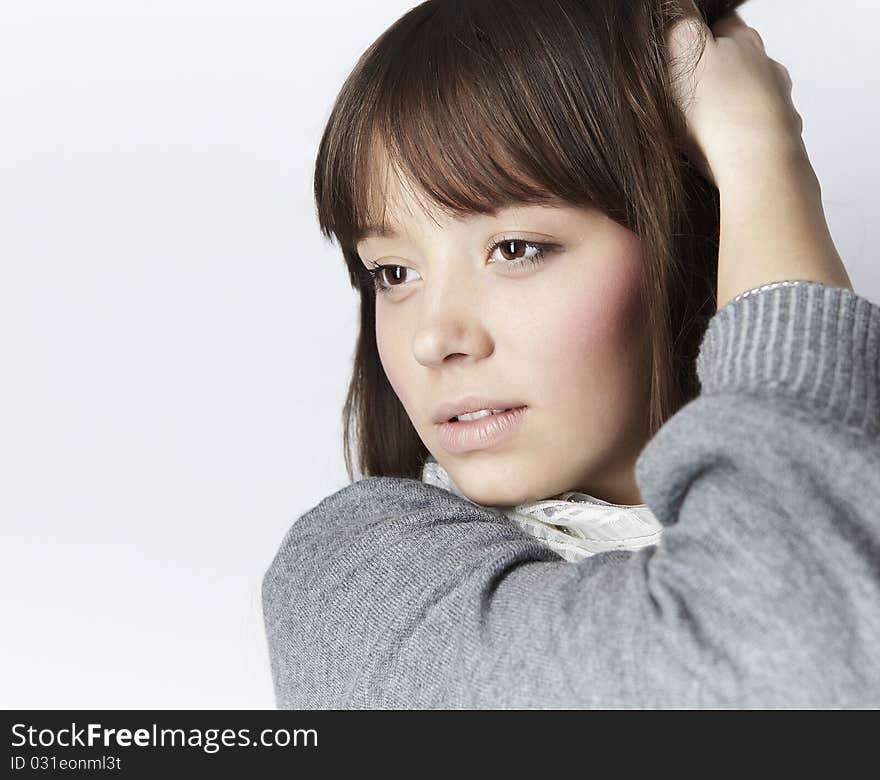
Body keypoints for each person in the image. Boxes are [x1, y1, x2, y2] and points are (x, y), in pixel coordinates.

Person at [262, 0, 879, 708]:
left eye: (516, 249)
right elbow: (800, 658)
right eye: (392, 273)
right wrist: (762, 156)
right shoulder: (357, 586)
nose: (433, 339)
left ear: (684, 246)